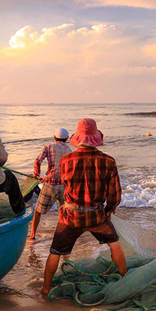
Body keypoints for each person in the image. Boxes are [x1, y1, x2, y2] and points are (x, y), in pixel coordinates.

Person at [41, 118, 127, 296]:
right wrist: (109, 210)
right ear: (96, 137)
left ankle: (46, 288)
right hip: (97, 215)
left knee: (55, 251)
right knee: (115, 244)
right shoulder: (109, 161)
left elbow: (65, 185)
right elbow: (115, 194)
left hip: (70, 216)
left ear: (77, 138)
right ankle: (125, 281)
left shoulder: (66, 160)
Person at [29, 127, 72, 239]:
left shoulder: (48, 147)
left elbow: (37, 160)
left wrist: (36, 174)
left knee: (38, 210)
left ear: (54, 137)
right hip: (64, 185)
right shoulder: (69, 150)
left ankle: (33, 234)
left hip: (50, 184)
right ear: (66, 138)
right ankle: (63, 234)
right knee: (63, 212)